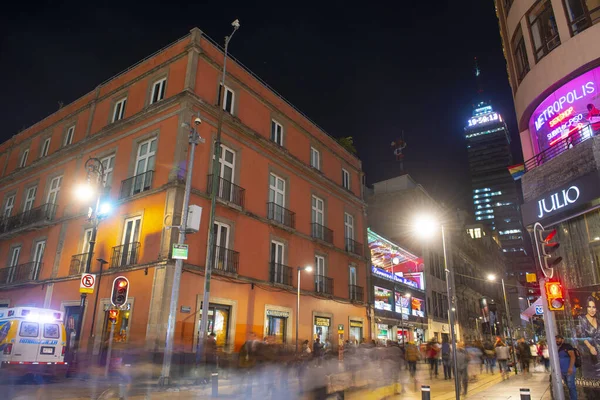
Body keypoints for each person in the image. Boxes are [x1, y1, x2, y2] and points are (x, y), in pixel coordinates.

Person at [578, 296, 600, 378]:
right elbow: (582, 335)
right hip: (590, 357)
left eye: (594, 307)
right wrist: (590, 347)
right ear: (586, 308)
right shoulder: (581, 319)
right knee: (592, 382)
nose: (591, 309)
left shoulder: (598, 319)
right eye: (589, 307)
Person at [556, 335, 578, 400]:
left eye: (558, 339)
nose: (556, 340)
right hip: (563, 371)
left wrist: (570, 368)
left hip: (569, 371)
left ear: (562, 339)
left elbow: (572, 356)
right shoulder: (559, 348)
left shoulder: (567, 346)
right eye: (556, 339)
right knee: (569, 387)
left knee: (571, 387)